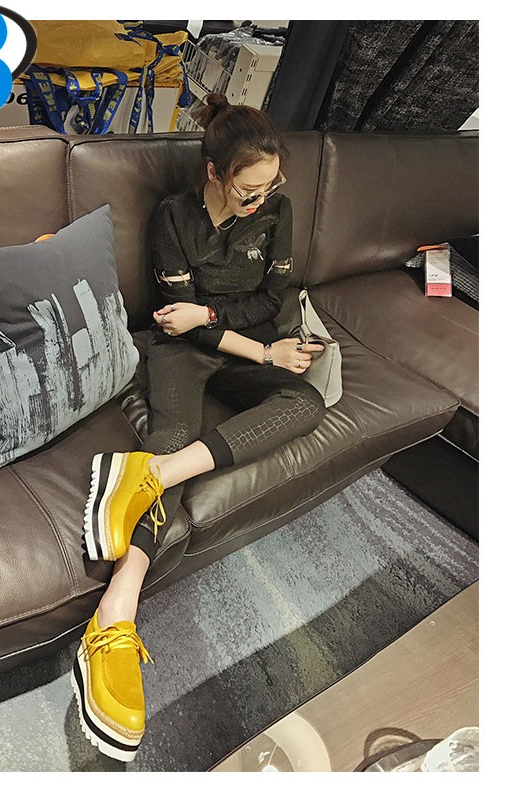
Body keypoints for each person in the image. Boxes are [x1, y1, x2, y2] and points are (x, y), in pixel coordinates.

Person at [71, 93, 327, 762]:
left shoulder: (276, 210)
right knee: (174, 429)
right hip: (183, 352)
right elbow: (175, 321)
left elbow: (272, 298)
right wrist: (245, 339)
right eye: (248, 191)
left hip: (243, 347)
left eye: (269, 188)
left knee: (305, 403)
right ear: (213, 172)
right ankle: (115, 614)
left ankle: (150, 475)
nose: (261, 202)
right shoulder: (173, 218)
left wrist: (232, 330)